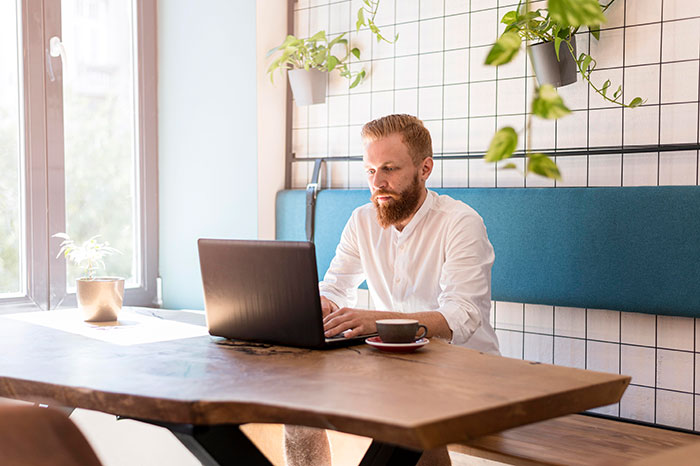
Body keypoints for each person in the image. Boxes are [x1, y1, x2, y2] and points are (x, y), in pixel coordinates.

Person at [284, 114, 500, 466]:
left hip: (469, 376)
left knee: (412, 424)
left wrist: (378, 321)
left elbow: (461, 316)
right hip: (395, 372)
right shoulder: (361, 221)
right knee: (298, 411)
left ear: (424, 168)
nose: (378, 183)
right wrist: (316, 306)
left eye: (389, 169)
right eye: (370, 171)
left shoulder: (461, 223)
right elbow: (337, 287)